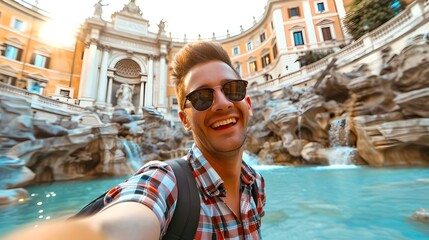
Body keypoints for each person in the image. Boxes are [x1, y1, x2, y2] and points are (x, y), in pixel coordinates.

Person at [4, 41, 265, 240]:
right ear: (184, 120)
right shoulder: (164, 182)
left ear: (248, 104)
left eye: (232, 90)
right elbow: (117, 223)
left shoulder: (255, 185)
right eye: (201, 98)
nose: (221, 103)